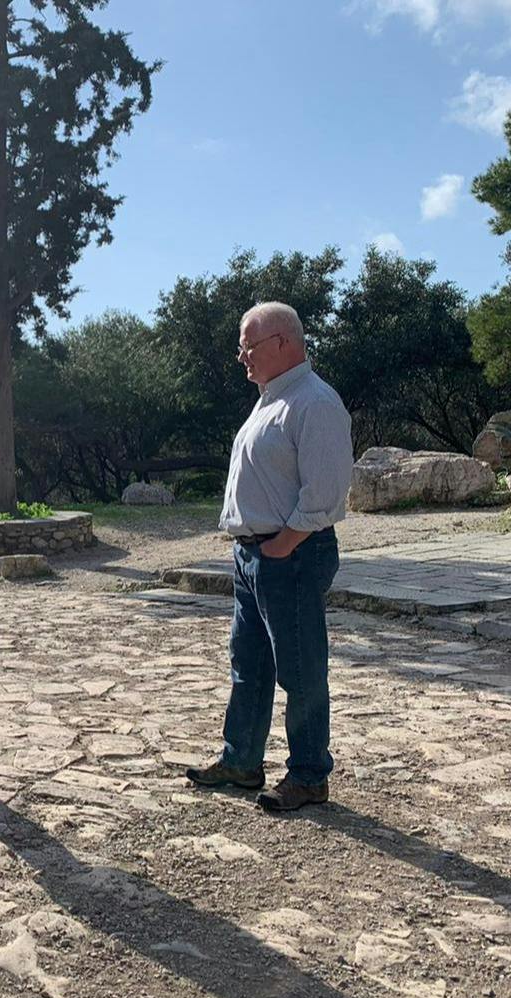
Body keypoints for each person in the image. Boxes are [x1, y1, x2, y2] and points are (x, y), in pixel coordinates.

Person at [185, 302, 353, 812]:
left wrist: (282, 545)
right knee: (249, 665)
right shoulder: (271, 400)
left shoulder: (314, 402)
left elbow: (325, 491)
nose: (242, 357)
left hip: (290, 552)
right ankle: (241, 761)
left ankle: (307, 775)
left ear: (283, 342)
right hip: (255, 556)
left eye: (248, 346)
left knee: (300, 670)